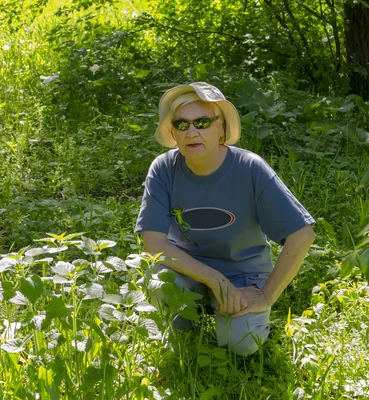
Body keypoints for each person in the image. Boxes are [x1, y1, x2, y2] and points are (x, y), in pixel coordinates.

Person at [135, 82, 316, 356]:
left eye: (202, 122)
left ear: (221, 127)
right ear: (172, 131)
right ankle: (182, 333)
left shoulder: (249, 168)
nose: (192, 132)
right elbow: (154, 244)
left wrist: (266, 295)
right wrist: (215, 280)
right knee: (158, 279)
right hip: (187, 269)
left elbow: (302, 234)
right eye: (181, 124)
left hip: (242, 272)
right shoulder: (164, 168)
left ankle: (244, 319)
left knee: (241, 346)